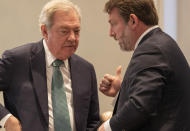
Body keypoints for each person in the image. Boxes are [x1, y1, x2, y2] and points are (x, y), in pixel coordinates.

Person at [0, 0, 100, 131]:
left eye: (76, 31)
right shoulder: (17, 60)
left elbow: (93, 121)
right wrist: (6, 119)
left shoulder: (86, 69)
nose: (72, 38)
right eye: (64, 31)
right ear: (45, 31)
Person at [98, 0, 190, 131]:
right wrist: (123, 89)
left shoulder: (152, 49)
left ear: (133, 21)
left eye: (114, 24)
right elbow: (155, 97)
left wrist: (106, 128)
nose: (111, 33)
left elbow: (139, 106)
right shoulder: (159, 42)